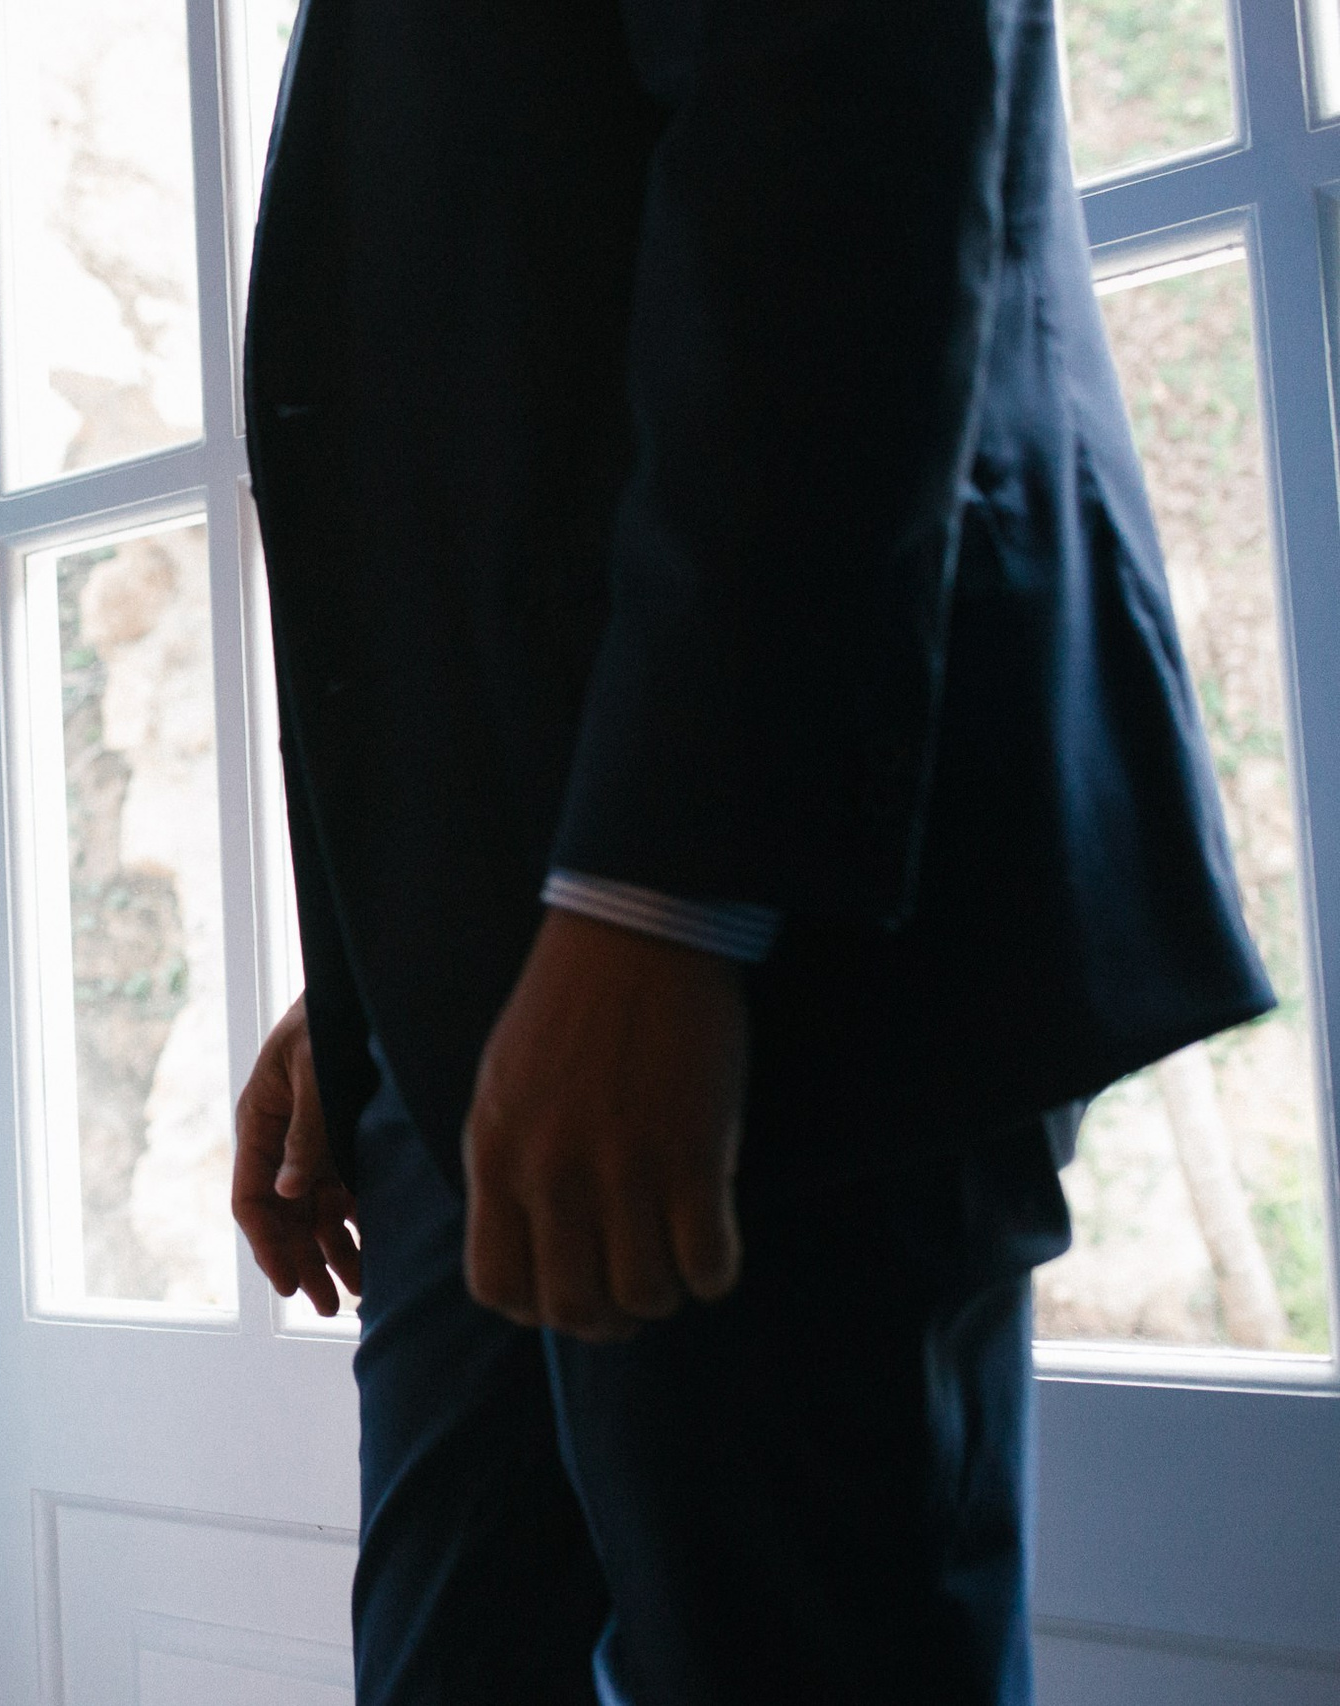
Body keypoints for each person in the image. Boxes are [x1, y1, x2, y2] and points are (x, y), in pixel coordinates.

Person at [233, 2, 1272, 1703]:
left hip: (767, 939)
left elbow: (848, 146)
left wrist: (660, 898)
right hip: (505, 973)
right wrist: (384, 955)